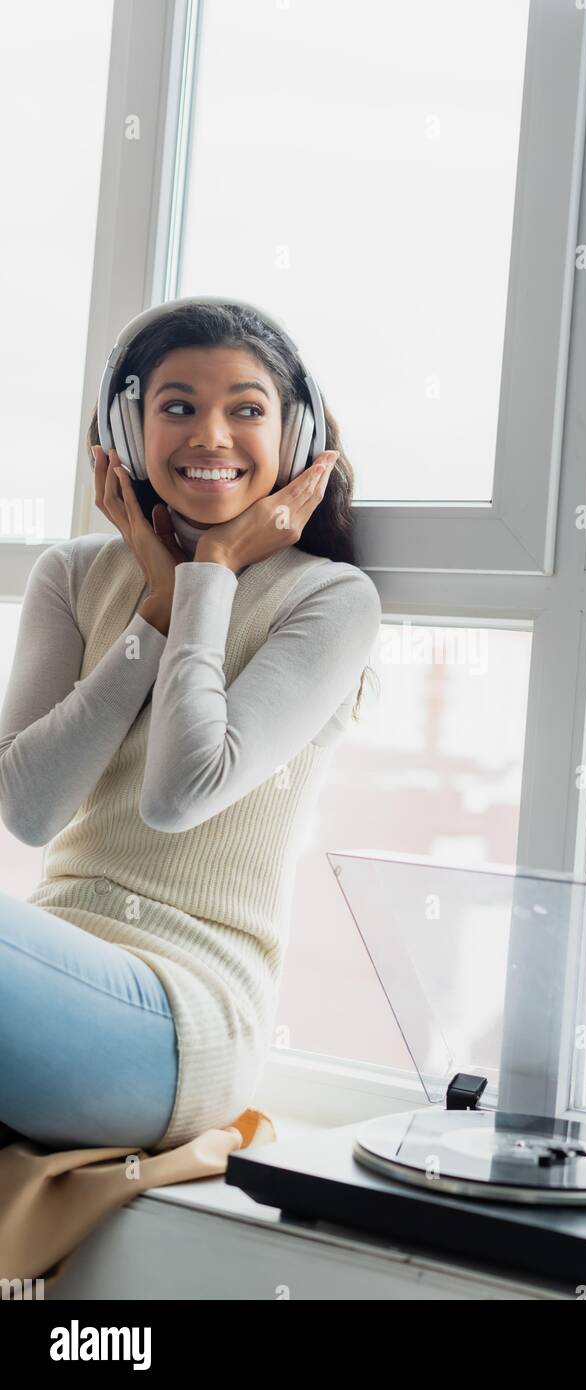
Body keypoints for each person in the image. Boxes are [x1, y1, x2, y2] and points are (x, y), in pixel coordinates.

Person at [0, 299, 381, 1152]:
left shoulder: (327, 598)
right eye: (178, 407)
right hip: (43, 981)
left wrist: (207, 574)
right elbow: (29, 810)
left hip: (179, 1021)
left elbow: (183, 793)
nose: (211, 435)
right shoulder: (71, 573)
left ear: (295, 431)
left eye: (246, 409)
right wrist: (154, 613)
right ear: (127, 434)